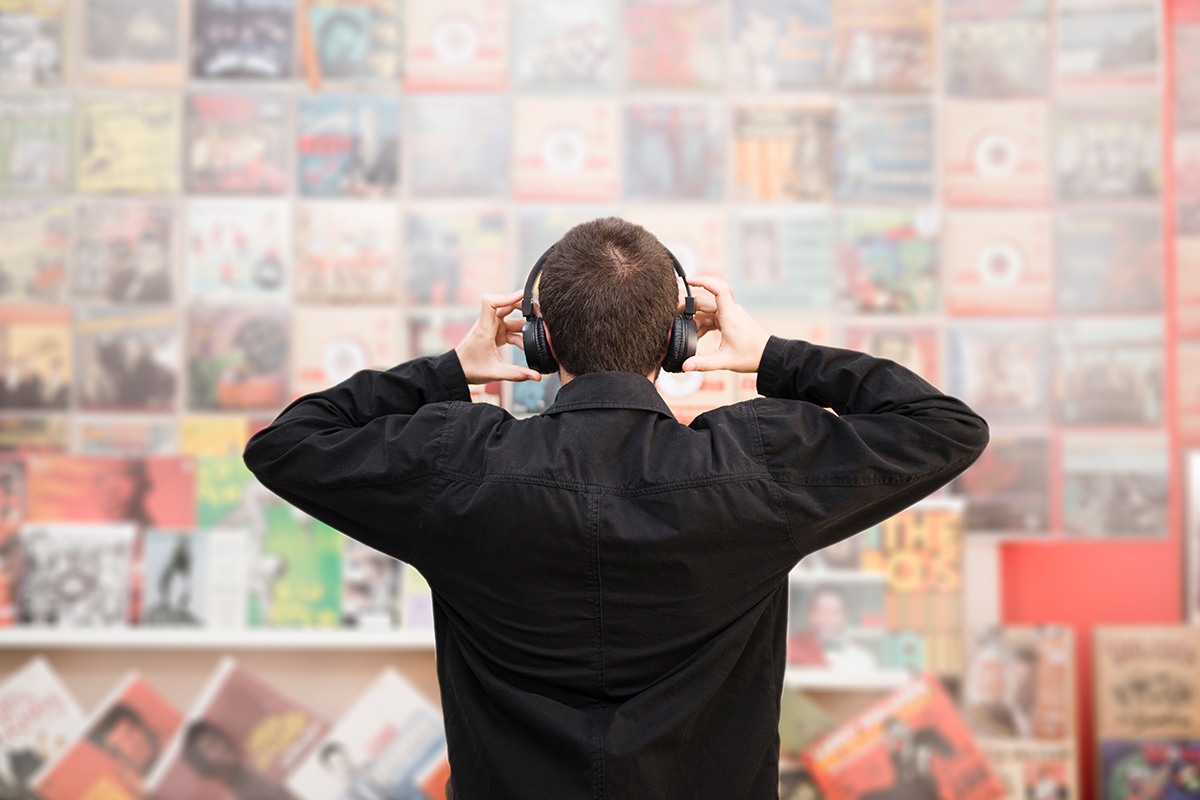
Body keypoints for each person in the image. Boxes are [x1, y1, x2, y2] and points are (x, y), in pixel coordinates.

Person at [244, 217, 988, 799]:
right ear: (676, 339)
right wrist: (774, 356)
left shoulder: (458, 465)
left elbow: (286, 444)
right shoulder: (754, 468)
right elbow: (944, 426)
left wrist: (449, 371)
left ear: (540, 341)